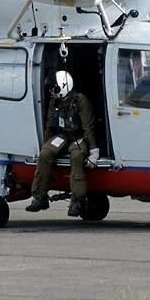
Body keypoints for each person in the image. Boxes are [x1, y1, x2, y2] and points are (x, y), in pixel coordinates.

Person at [26, 70, 99, 216]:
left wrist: (93, 150)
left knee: (77, 156)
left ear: (62, 87)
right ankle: (39, 197)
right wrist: (46, 144)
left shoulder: (80, 101)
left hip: (80, 137)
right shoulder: (55, 102)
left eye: (53, 89)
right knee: (45, 154)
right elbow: (49, 125)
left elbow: (88, 127)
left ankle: (77, 200)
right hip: (63, 136)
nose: (50, 92)